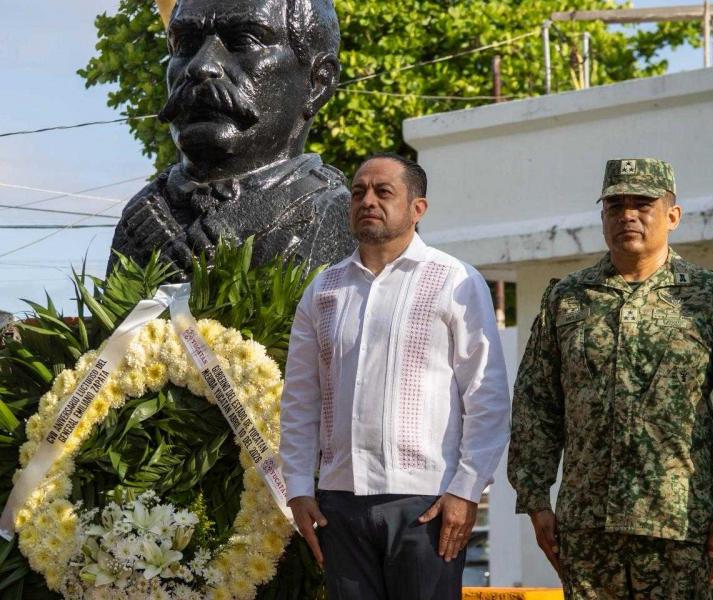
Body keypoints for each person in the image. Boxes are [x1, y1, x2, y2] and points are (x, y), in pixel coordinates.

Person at [508, 158, 713, 599]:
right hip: (587, 530)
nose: (627, 215)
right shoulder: (567, 299)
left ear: (673, 215)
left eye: (642, 204)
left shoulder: (708, 297)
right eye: (615, 205)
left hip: (677, 527)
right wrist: (534, 498)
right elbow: (536, 403)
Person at [280, 153, 510, 599]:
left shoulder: (455, 280)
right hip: (338, 503)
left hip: (425, 504)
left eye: (383, 192)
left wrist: (466, 491)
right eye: (358, 192)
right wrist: (299, 488)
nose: (368, 200)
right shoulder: (324, 289)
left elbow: (487, 394)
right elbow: (300, 398)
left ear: (417, 208)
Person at [109, 0, 356, 275]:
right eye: (184, 44)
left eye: (244, 41)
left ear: (318, 83)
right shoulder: (140, 217)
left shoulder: (331, 212)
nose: (201, 66)